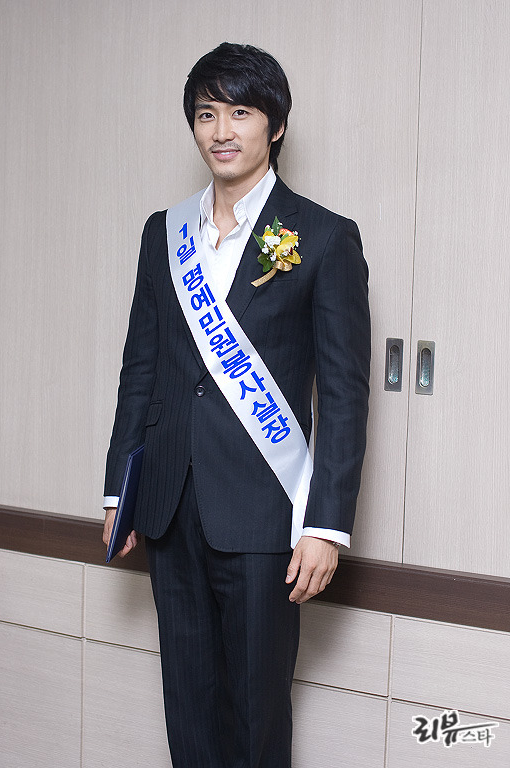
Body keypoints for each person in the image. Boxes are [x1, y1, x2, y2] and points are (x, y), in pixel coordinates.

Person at [102, 42, 370, 768]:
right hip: (167, 504)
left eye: (241, 112)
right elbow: (142, 367)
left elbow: (344, 395)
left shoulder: (322, 237)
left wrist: (325, 526)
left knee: (255, 714)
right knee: (187, 709)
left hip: (263, 514)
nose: (221, 131)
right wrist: (121, 490)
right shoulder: (164, 232)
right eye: (206, 113)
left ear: (274, 126)